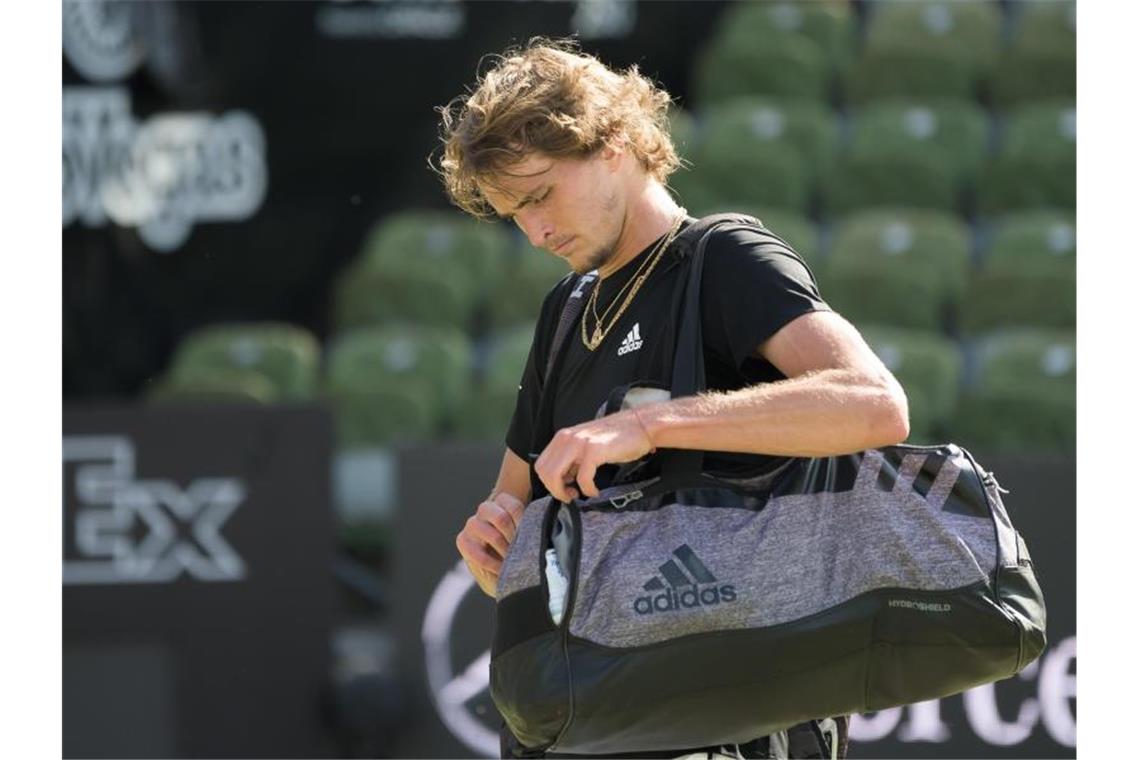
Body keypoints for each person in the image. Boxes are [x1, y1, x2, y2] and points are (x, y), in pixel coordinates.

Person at [435, 37, 909, 760]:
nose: (534, 230)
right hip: (594, 710)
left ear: (617, 144)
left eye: (540, 195)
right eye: (513, 214)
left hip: (735, 711)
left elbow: (875, 405)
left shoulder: (725, 257)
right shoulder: (565, 309)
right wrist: (494, 545)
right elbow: (515, 517)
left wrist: (651, 426)